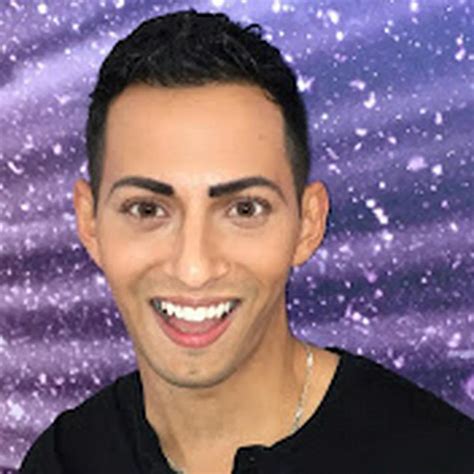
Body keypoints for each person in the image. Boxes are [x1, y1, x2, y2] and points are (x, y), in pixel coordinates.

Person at [19, 9, 473, 474]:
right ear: (90, 223)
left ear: (308, 224)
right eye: (147, 210)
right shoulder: (64, 459)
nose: (194, 268)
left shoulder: (441, 458)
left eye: (244, 210)